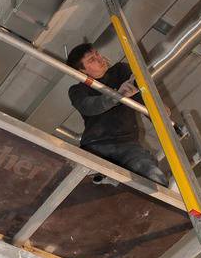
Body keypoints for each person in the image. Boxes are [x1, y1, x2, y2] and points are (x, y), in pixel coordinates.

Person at [66, 42, 167, 186]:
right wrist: (117, 95)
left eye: (97, 54)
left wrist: (159, 113)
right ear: (82, 71)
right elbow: (90, 106)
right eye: (91, 60)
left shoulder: (120, 71)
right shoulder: (77, 90)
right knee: (83, 183)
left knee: (154, 178)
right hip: (96, 146)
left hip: (127, 145)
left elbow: (141, 98)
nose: (99, 59)